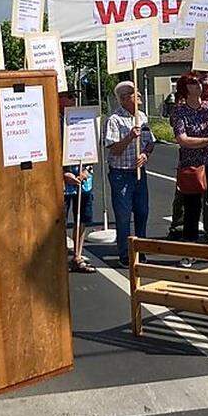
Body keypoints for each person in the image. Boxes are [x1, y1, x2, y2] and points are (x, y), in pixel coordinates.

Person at [171, 73, 208, 266]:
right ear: (185, 88)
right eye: (193, 83)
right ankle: (190, 250)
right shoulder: (179, 111)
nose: (198, 85)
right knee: (192, 207)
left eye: (199, 83)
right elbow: (183, 139)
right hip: (192, 165)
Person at [104, 80, 155, 265]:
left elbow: (150, 142)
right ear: (125, 99)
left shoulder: (142, 116)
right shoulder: (114, 120)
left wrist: (145, 154)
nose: (139, 95)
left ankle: (141, 250)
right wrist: (129, 137)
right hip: (121, 174)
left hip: (139, 172)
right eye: (135, 93)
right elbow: (114, 149)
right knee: (123, 215)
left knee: (142, 212)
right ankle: (125, 254)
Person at [59, 90, 95, 273]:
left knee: (83, 219)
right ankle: (58, 258)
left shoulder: (83, 120)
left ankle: (77, 255)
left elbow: (90, 148)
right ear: (60, 99)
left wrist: (86, 169)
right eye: (70, 96)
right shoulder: (53, 122)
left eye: (75, 96)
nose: (74, 100)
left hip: (83, 180)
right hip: (63, 183)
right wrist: (63, 173)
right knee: (60, 221)